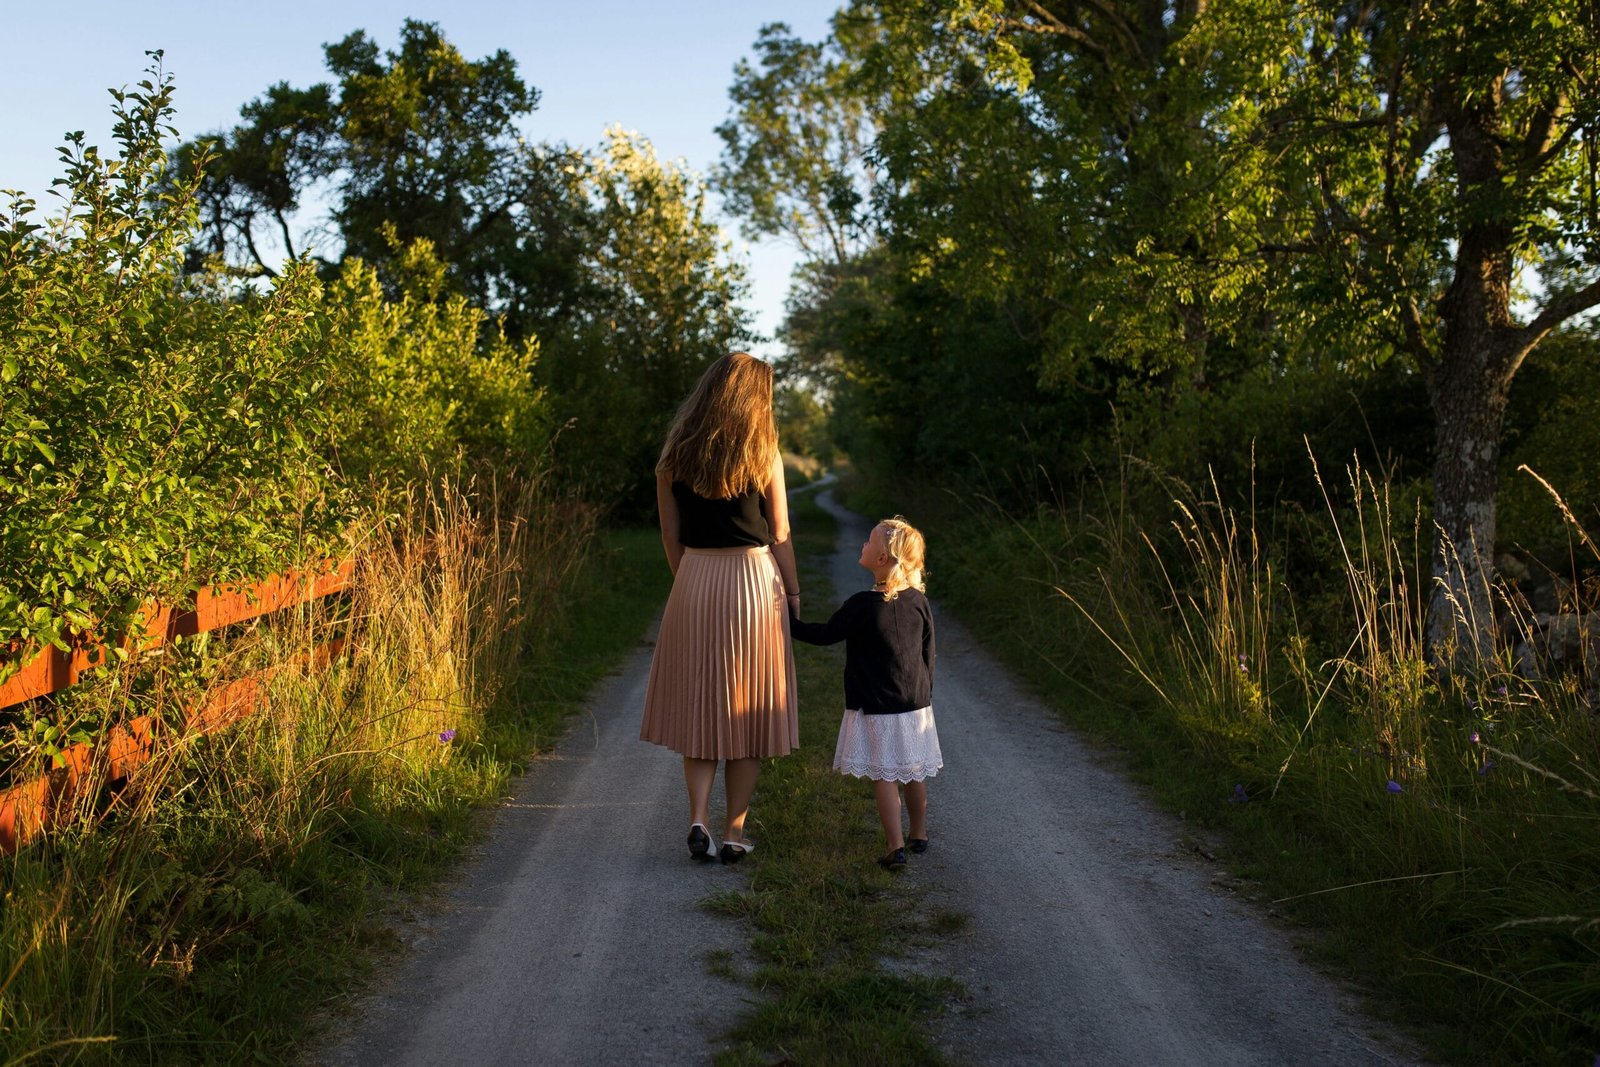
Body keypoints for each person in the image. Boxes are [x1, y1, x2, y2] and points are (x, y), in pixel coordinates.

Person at [640, 352, 800, 864]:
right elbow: (779, 533)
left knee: (701, 706)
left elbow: (669, 533)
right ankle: (734, 832)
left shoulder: (673, 455)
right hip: (753, 580)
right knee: (747, 708)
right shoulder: (764, 452)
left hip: (695, 577)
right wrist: (793, 593)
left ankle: (697, 820)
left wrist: (687, 579)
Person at [789, 516, 941, 870]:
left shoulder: (862, 605)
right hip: (915, 703)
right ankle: (919, 834)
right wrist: (925, 693)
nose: (863, 544)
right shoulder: (918, 600)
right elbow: (928, 651)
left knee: (885, 775)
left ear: (883, 558)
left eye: (869, 541)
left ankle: (895, 847)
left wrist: (786, 622)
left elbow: (825, 634)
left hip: (878, 704)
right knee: (914, 771)